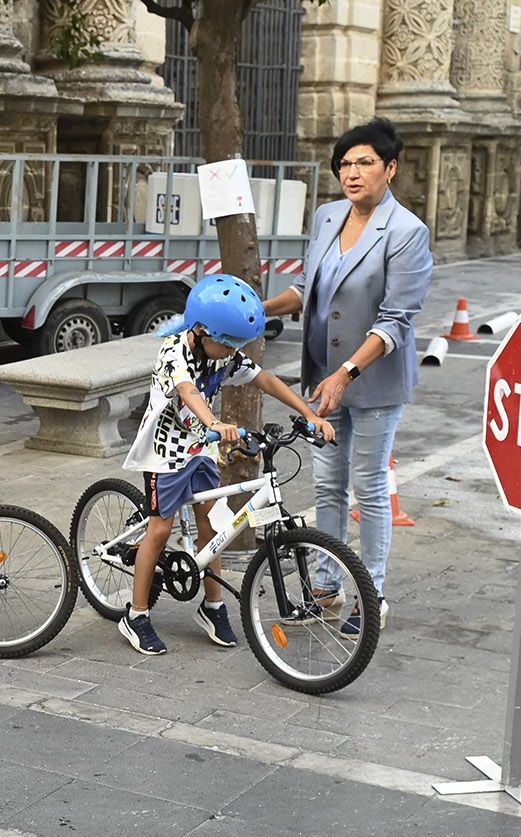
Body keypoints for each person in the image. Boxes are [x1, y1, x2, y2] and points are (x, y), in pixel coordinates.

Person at [262, 117, 432, 636]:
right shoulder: (328, 216)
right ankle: (326, 583)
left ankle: (371, 592)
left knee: (370, 487)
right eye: (345, 164)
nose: (352, 174)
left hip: (373, 384)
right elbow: (308, 287)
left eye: (365, 163)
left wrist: (346, 373)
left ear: (391, 168)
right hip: (321, 378)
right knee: (328, 485)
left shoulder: (406, 232)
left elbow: (397, 320)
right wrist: (258, 307)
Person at [118, 274, 335, 656]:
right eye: (228, 342)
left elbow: (265, 380)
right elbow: (188, 392)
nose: (234, 350)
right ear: (201, 330)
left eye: (238, 344)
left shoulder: (224, 352)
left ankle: (213, 605)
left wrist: (310, 413)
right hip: (166, 452)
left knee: (212, 524)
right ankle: (136, 615)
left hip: (200, 448)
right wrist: (215, 423)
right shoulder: (173, 353)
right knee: (160, 529)